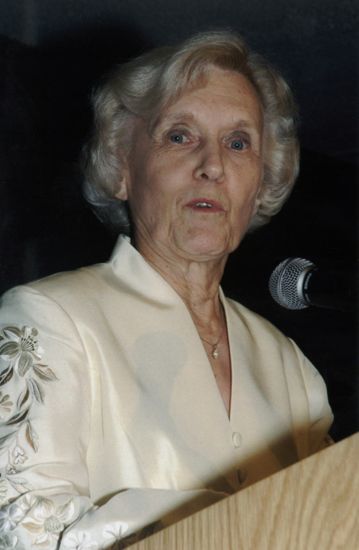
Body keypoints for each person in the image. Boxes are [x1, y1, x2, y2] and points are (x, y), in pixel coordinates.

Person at [0, 30, 333, 548]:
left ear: (262, 182)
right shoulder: (45, 319)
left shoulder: (291, 368)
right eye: (180, 135)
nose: (214, 165)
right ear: (121, 171)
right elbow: (23, 526)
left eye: (239, 142)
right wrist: (231, 526)